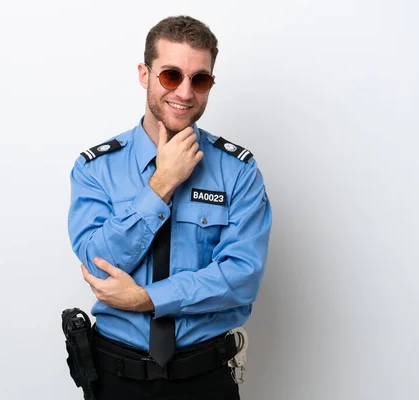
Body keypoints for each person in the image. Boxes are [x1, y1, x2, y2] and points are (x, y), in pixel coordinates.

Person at [68, 15, 272, 400]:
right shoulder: (96, 168)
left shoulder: (238, 171)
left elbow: (242, 276)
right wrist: (161, 184)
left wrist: (147, 298)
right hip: (116, 376)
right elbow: (97, 262)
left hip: (205, 376)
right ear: (144, 74)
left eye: (200, 79)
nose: (185, 91)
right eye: (170, 75)